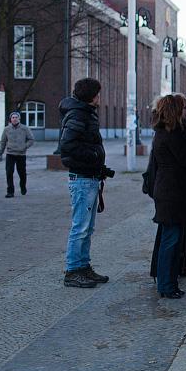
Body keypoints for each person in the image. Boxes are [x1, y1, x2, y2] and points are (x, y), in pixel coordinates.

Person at [59, 77, 113, 289]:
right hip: (81, 178)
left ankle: (83, 267)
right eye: (98, 94)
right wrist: (92, 156)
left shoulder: (85, 113)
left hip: (89, 177)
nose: (100, 97)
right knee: (80, 227)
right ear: (91, 96)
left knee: (87, 228)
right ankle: (73, 271)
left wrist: (99, 168)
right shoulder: (78, 114)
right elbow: (68, 145)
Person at [149, 94, 186, 299]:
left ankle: (167, 282)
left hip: (170, 191)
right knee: (170, 240)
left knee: (170, 237)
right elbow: (184, 157)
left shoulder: (165, 132)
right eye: (184, 108)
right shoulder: (172, 134)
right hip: (172, 193)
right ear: (176, 110)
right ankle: (166, 285)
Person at [0, 111, 34, 198]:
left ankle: (23, 186)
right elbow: (3, 142)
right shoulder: (6, 129)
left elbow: (31, 139)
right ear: (10, 119)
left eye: (16, 117)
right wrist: (0, 153)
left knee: (22, 172)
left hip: (21, 154)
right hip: (10, 154)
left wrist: (24, 146)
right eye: (13, 117)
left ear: (19, 119)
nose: (14, 119)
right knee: (9, 172)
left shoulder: (24, 128)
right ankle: (10, 191)